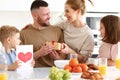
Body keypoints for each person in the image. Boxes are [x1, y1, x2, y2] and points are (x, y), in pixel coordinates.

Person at [20, 0, 66, 67]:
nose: (49, 17)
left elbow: (63, 58)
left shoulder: (57, 31)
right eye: (45, 14)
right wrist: (39, 53)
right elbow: (20, 61)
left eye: (49, 13)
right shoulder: (23, 34)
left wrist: (57, 58)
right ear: (35, 16)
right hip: (32, 74)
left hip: (53, 73)